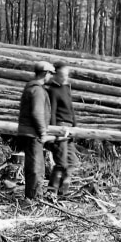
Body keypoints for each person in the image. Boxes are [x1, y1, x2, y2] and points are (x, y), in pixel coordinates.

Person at [16, 60, 54, 200]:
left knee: (33, 164)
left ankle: (31, 196)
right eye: (50, 73)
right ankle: (34, 198)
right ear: (45, 73)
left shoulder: (30, 87)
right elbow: (37, 112)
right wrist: (43, 132)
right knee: (37, 166)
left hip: (27, 132)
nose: (51, 77)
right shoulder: (37, 90)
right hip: (33, 133)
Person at [46, 62, 78, 196]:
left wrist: (75, 127)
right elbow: (51, 112)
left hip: (69, 128)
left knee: (72, 162)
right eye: (62, 75)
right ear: (55, 75)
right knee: (61, 162)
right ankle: (51, 192)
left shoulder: (66, 88)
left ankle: (63, 191)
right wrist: (54, 131)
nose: (65, 78)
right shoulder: (52, 90)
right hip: (60, 127)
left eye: (66, 75)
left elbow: (71, 109)